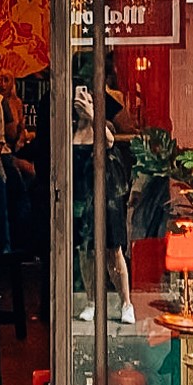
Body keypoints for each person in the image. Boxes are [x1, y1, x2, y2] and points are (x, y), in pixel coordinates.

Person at [72, 84, 135, 325]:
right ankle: (91, 301)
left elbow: (109, 140)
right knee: (85, 252)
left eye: (88, 95)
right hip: (82, 195)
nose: (83, 99)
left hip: (106, 197)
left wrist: (91, 114)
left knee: (113, 250)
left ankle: (126, 302)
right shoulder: (72, 130)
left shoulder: (102, 126)